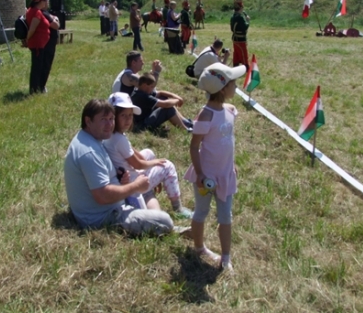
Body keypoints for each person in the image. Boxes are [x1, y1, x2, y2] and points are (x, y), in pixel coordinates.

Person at [64, 99, 175, 235]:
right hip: (102, 217)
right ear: (88, 121)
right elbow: (103, 196)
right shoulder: (89, 152)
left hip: (104, 207)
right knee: (165, 221)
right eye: (103, 119)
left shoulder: (90, 139)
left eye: (111, 119)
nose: (110, 124)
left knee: (143, 185)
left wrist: (120, 177)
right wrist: (135, 186)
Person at [184, 62, 247, 272]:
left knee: (225, 216)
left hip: (225, 174)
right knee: (201, 212)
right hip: (207, 177)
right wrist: (200, 174)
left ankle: (226, 258)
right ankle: (199, 247)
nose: (236, 87)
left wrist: (231, 164)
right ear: (222, 88)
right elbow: (194, 147)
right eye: (233, 84)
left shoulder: (230, 110)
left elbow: (228, 142)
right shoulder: (206, 115)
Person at [104, 92, 193, 218]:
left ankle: (149, 191)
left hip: (123, 174)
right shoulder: (119, 140)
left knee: (148, 152)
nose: (128, 119)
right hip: (133, 182)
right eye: (123, 115)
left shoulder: (111, 135)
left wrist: (150, 163)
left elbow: (134, 153)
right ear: (113, 116)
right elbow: (138, 164)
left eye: (130, 115)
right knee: (167, 166)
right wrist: (155, 163)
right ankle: (177, 207)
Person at [26, 0, 51, 94]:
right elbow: (32, 29)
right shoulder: (36, 12)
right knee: (37, 68)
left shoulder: (33, 11)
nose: (46, 2)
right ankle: (34, 89)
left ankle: (35, 88)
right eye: (44, 0)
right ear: (39, 1)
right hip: (37, 44)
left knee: (38, 66)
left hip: (39, 44)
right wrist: (27, 39)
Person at [41, 1, 61, 93]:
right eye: (47, 1)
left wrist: (55, 18)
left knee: (47, 64)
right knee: (46, 64)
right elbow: (56, 25)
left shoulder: (46, 13)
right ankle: (42, 86)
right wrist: (55, 19)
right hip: (48, 43)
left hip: (51, 42)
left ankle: (42, 85)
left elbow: (55, 18)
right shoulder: (44, 13)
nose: (48, 3)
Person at [230, 2, 250, 68]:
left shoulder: (233, 17)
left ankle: (235, 66)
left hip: (235, 38)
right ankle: (246, 67)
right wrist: (247, 21)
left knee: (236, 54)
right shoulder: (240, 17)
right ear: (240, 8)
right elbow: (245, 27)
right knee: (243, 55)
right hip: (240, 39)